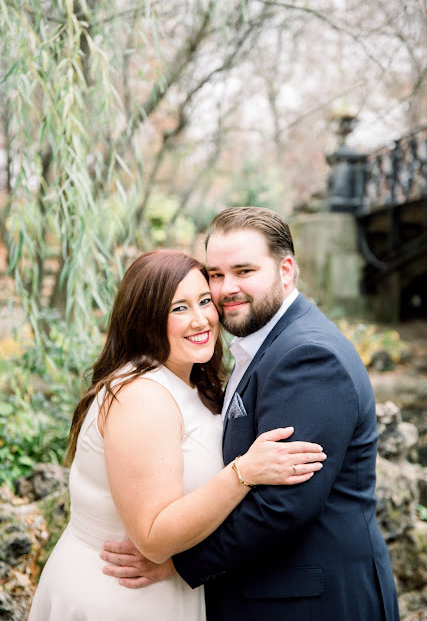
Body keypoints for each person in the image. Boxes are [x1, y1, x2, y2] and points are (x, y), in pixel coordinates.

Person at [102, 207, 400, 621]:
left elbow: (283, 506)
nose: (227, 289)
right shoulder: (260, 342)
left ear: (286, 271)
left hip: (311, 602)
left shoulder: (307, 356)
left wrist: (179, 564)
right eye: (217, 275)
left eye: (244, 271)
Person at [27, 249, 326, 621]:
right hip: (120, 596)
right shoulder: (141, 397)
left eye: (204, 301)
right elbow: (153, 539)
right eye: (178, 308)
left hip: (162, 590)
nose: (201, 319)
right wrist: (244, 472)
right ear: (145, 320)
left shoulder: (190, 380)